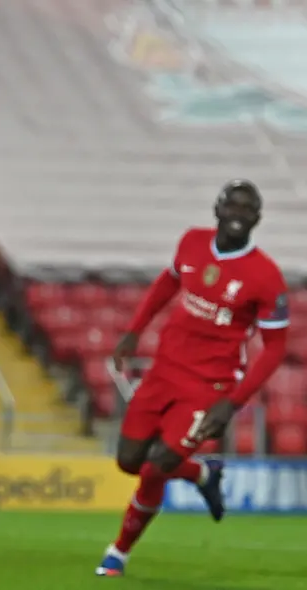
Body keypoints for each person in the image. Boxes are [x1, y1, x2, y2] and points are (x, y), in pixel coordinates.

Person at [96, 179, 290, 577]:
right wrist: (135, 329)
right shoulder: (191, 243)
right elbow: (168, 281)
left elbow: (274, 349)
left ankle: (118, 552)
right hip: (164, 371)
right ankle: (204, 472)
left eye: (247, 209)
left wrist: (233, 402)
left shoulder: (266, 276)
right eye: (232, 206)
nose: (238, 214)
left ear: (258, 219)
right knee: (129, 461)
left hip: (210, 386)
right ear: (217, 209)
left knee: (159, 465)